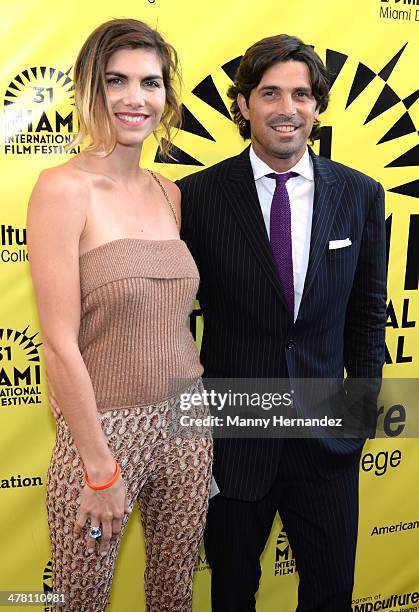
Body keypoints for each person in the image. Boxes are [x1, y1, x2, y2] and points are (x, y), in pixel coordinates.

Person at [178, 34, 386, 611]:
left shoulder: (361, 195)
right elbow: (174, 319)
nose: (286, 108)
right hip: (232, 439)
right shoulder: (195, 197)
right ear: (243, 105)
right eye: (269, 93)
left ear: (318, 106)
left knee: (330, 593)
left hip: (327, 442)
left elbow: (369, 312)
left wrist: (359, 411)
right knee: (232, 594)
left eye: (300, 94)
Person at [27, 18, 212, 612]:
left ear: (167, 95)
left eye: (151, 83)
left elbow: (169, 321)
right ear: (90, 88)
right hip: (103, 433)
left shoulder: (168, 192)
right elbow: (58, 343)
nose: (137, 98)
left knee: (173, 596)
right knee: (80, 601)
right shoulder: (62, 189)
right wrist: (100, 466)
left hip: (187, 422)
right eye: (117, 81)